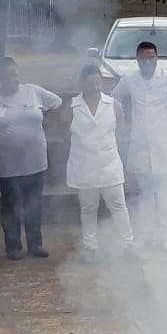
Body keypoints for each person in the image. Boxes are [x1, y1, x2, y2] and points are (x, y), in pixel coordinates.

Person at [112, 41, 167, 252]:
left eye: (151, 57)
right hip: (140, 143)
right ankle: (144, 234)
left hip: (164, 143)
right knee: (144, 193)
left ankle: (166, 236)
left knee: (164, 192)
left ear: (157, 58)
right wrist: (123, 119)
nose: (148, 61)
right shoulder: (129, 80)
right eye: (144, 57)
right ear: (137, 59)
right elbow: (114, 98)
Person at [0, 57, 62, 260]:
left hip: (35, 162)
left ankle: (35, 244)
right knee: (12, 205)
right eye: (8, 75)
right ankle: (13, 246)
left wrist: (49, 123)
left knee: (34, 204)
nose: (13, 79)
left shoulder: (33, 91)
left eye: (15, 74)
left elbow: (57, 103)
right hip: (9, 166)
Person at [64, 64, 134, 260]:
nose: (95, 88)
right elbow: (63, 130)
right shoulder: (72, 106)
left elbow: (120, 128)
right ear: (82, 83)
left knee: (118, 206)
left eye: (97, 84)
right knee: (88, 208)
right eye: (90, 84)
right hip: (84, 166)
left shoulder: (113, 104)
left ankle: (128, 244)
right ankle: (90, 247)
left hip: (109, 164)